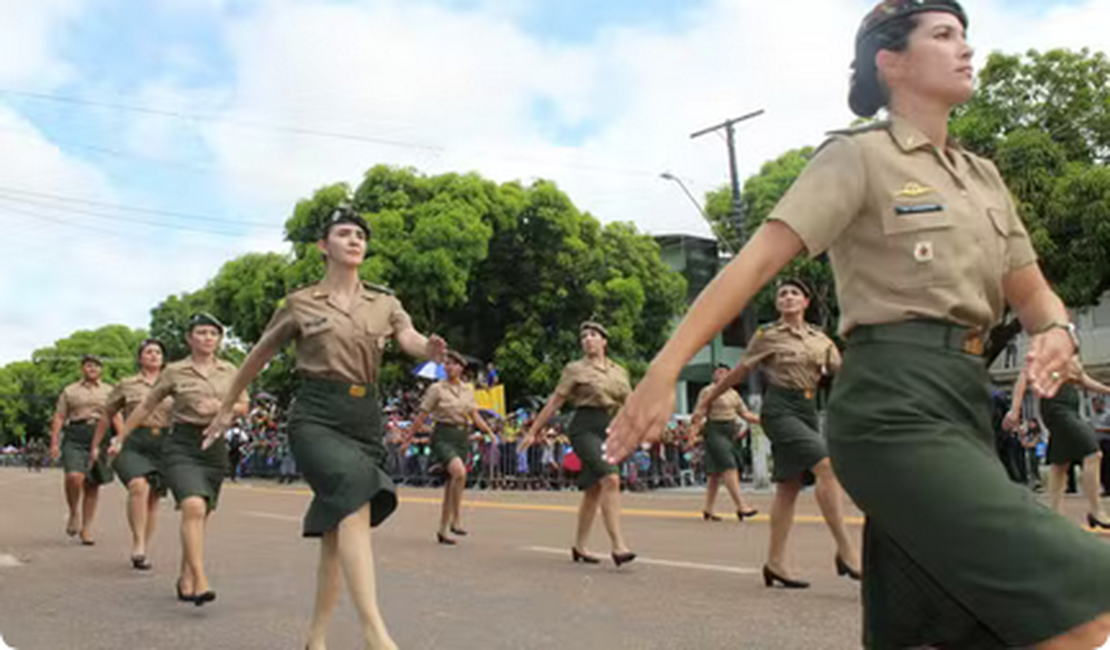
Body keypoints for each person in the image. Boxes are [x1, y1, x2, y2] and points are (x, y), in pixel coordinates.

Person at [604, 1, 1110, 646]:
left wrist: (1059, 331)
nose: (965, 48)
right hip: (891, 410)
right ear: (891, 62)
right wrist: (663, 370)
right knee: (1084, 599)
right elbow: (753, 265)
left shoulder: (983, 177)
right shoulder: (857, 158)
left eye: (965, 35)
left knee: (949, 632)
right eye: (944, 35)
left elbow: (1034, 292)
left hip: (964, 402)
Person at [204, 204, 445, 650]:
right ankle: (376, 634)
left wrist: (428, 349)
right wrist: (227, 403)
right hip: (316, 416)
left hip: (364, 420)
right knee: (353, 505)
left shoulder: (384, 302)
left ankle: (315, 638)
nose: (355, 240)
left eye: (360, 235)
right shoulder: (300, 303)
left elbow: (408, 337)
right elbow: (259, 354)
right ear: (323, 246)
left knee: (339, 531)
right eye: (344, 233)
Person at [696, 280, 860, 587]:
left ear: (806, 302)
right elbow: (741, 370)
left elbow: (845, 373)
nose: (787, 297)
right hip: (779, 408)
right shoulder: (767, 335)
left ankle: (775, 564)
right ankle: (846, 550)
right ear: (777, 304)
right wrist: (708, 397)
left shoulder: (820, 339)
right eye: (782, 293)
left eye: (794, 293)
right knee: (825, 465)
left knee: (789, 487)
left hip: (808, 409)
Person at [111, 313, 248, 606]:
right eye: (201, 332)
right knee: (193, 506)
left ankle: (186, 576)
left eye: (214, 333)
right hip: (182, 445)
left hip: (213, 448)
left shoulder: (230, 370)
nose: (208, 338)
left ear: (220, 339)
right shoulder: (174, 371)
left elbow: (245, 404)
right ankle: (200, 579)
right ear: (189, 338)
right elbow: (148, 404)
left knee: (201, 515)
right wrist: (121, 437)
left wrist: (224, 407)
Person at [521, 321, 635, 567]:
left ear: (604, 341)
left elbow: (629, 404)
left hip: (610, 428)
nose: (587, 339)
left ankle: (580, 547)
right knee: (611, 478)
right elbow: (555, 402)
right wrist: (533, 431)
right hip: (584, 428)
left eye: (593, 335)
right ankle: (618, 545)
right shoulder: (574, 369)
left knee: (593, 490)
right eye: (584, 336)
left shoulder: (619, 371)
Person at [90, 339, 172, 570]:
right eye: (149, 352)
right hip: (133, 440)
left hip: (164, 442)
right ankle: (137, 542)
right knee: (138, 486)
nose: (154, 355)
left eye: (158, 352)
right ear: (140, 358)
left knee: (154, 497)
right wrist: (97, 444)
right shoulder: (127, 384)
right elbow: (107, 414)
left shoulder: (173, 384)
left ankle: (144, 546)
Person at [1005, 356, 1110, 529]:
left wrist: (1107, 390)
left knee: (1060, 463)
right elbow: (1024, 377)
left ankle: (1055, 513)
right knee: (1093, 452)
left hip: (1071, 409)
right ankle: (1096, 510)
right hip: (1056, 409)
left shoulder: (1072, 358)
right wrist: (1015, 409)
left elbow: (1085, 381)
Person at [411, 350, 495, 544]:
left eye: (454, 364)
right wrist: (409, 437)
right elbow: (422, 415)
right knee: (459, 473)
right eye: (447, 364)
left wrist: (488, 431)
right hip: (443, 435)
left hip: (461, 437)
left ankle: (443, 529)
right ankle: (456, 520)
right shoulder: (436, 389)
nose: (449, 367)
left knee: (451, 484)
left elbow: (474, 415)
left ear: (461, 368)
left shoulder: (468, 389)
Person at [48, 354, 115, 545]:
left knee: (92, 485)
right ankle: (73, 512)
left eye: (96, 366)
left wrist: (121, 439)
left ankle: (86, 529)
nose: (92, 369)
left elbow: (116, 416)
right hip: (76, 434)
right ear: (82, 369)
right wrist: (54, 443)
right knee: (74, 476)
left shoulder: (110, 391)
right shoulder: (70, 391)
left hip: (100, 435)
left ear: (101, 369)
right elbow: (60, 417)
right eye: (88, 365)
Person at [689, 363, 760, 521]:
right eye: (717, 372)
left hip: (730, 432)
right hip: (714, 431)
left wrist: (763, 420)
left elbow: (746, 414)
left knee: (714, 474)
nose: (720, 374)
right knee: (729, 466)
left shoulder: (734, 394)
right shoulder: (708, 391)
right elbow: (699, 413)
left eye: (724, 372)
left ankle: (708, 509)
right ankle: (741, 506)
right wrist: (693, 434)